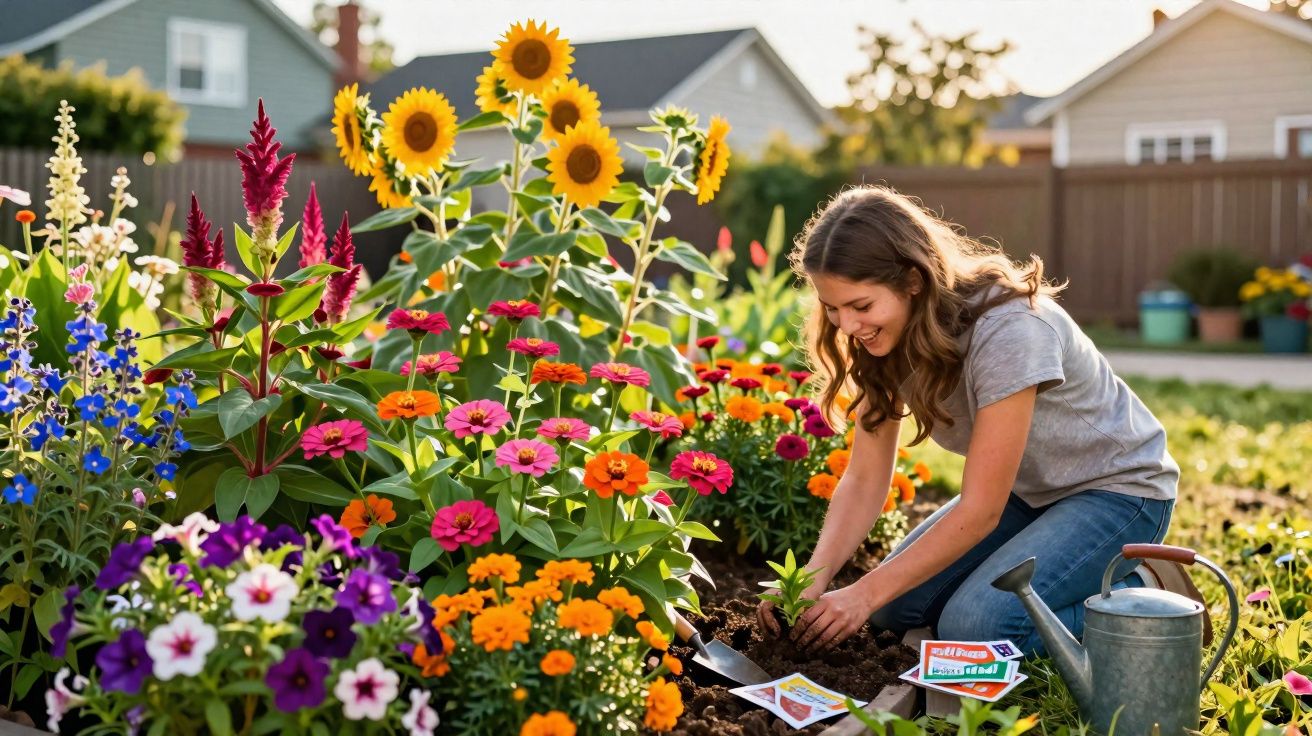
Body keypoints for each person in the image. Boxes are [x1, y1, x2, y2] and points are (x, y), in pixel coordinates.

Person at [756, 185, 1179, 656]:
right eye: (833, 308)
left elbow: (980, 511)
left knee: (975, 626)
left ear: (913, 281)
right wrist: (810, 580)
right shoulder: (882, 338)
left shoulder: (1010, 330)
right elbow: (865, 477)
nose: (848, 326)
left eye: (861, 306)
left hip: (1118, 492)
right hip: (1031, 492)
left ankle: (1145, 599)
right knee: (891, 609)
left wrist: (863, 592)